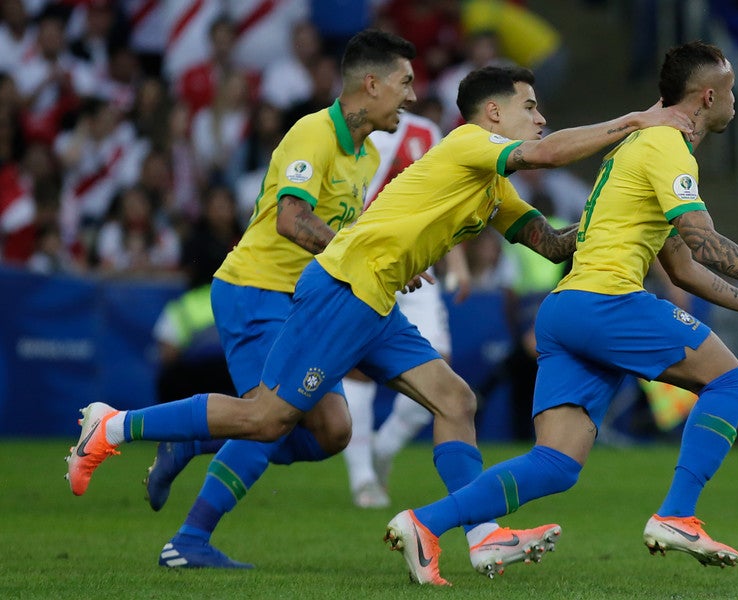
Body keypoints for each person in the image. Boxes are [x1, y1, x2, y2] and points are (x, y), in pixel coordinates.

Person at [65, 63, 695, 582]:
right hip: (345, 287)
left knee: (453, 399)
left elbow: (555, 245)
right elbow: (545, 154)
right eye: (530, 105)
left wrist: (623, 209)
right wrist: (634, 122)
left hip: (376, 297)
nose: (541, 116)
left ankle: (479, 537)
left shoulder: (490, 186)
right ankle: (113, 425)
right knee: (265, 417)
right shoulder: (471, 143)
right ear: (493, 114)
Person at [383, 41, 738, 585]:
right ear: (707, 96)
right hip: (607, 301)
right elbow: (704, 243)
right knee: (732, 381)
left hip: (564, 313)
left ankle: (425, 522)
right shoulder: (667, 144)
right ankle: (677, 514)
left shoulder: (638, 151)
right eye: (731, 92)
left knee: (556, 464)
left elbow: (680, 265)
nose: (735, 101)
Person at [141, 29, 420, 569]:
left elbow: (346, 233)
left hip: (303, 304)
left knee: (334, 431)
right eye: (405, 82)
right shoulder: (312, 134)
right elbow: (293, 220)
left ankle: (198, 440)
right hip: (256, 291)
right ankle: (188, 540)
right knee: (268, 420)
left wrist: (391, 261)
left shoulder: (364, 153)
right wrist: (357, 257)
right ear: (372, 83)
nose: (411, 95)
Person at [341, 108, 471, 509]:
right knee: (358, 371)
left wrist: (457, 260)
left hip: (418, 268)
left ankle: (385, 446)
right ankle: (362, 477)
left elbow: (445, 201)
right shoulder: (343, 129)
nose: (409, 92)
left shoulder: (424, 132)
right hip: (360, 263)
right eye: (403, 81)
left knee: (440, 368)